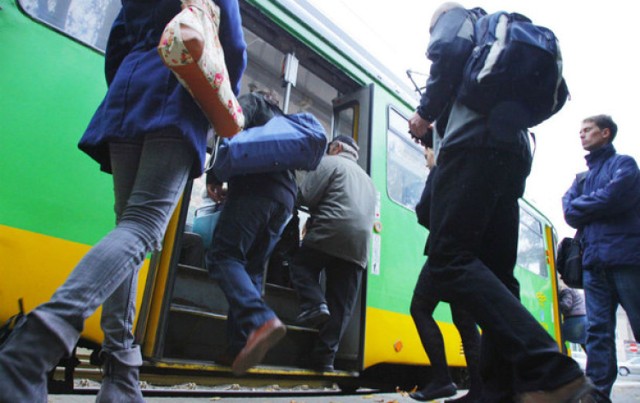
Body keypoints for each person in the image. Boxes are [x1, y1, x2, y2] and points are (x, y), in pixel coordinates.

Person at [0, 1, 246, 401]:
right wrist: (216, 95)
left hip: (129, 91)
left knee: (128, 230)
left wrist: (130, 81)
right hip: (179, 89)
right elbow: (231, 44)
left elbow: (117, 41)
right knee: (144, 227)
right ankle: (33, 350)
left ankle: (120, 377)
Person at [407, 3, 592, 401]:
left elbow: (449, 54)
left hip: (473, 143)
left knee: (448, 258)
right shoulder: (499, 39)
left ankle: (551, 370)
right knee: (499, 275)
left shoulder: (458, 18)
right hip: (512, 153)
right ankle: (496, 390)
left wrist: (424, 115)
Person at [205, 89, 297, 376]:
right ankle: (238, 346)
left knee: (223, 255)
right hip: (285, 201)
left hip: (255, 190)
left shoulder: (255, 103)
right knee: (253, 269)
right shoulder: (287, 123)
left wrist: (215, 174)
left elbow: (232, 124)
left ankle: (260, 321)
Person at [562, 114, 640, 402]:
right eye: (580, 130)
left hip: (627, 260)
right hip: (593, 265)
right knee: (597, 332)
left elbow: (617, 196)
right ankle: (596, 395)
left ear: (605, 133)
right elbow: (569, 212)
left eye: (588, 130)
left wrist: (588, 206)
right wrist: (597, 204)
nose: (581, 135)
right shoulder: (581, 179)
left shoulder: (625, 165)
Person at [289, 135, 376, 372]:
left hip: (329, 232)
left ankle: (314, 303)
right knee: (341, 303)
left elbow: (304, 195)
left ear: (335, 148)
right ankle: (325, 359)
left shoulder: (330, 163)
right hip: (359, 247)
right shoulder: (369, 181)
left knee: (301, 266)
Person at [410, 146, 482, 402]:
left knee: (420, 308)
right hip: (469, 251)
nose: (426, 157)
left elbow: (423, 210)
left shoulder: (442, 168)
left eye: (427, 152)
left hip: (444, 249)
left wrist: (433, 170)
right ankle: (479, 388)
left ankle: (442, 379)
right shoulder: (471, 166)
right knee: (465, 321)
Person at [558, 282, 587, 352]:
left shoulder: (566, 291)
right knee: (585, 343)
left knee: (558, 336)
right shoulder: (574, 291)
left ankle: (563, 357)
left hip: (574, 320)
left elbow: (566, 305)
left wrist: (555, 303)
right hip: (583, 319)